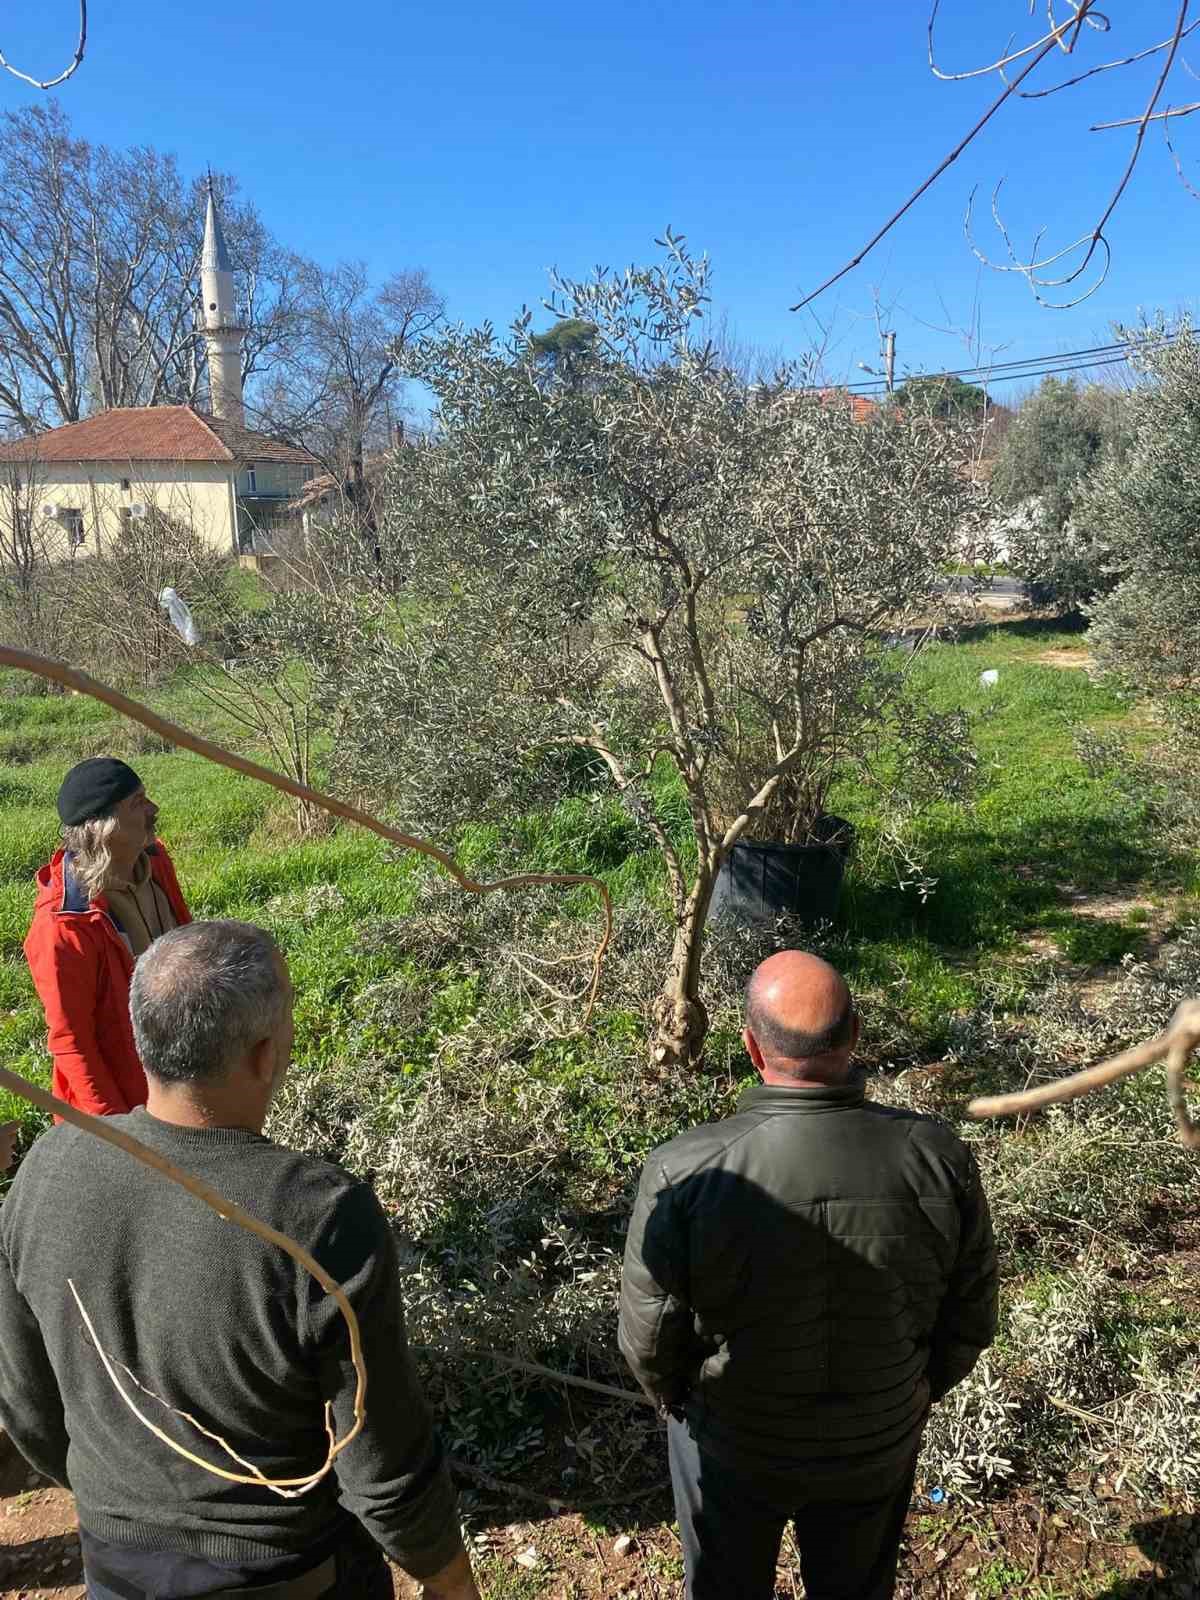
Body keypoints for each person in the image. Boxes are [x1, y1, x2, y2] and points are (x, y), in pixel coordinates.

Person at [0, 920, 480, 1600]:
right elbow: (382, 1464)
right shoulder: (319, 1217)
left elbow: (28, 1409)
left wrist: (119, 1501)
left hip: (116, 1569)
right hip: (291, 1577)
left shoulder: (46, 1168)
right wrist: (450, 1578)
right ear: (264, 1055)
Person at [619, 950, 998, 1600]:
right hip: (876, 1439)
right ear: (854, 1037)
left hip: (733, 1439)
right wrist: (905, 1394)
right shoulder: (938, 1157)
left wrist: (685, 1405)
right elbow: (970, 1319)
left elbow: (650, 1344)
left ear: (750, 1047)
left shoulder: (683, 1171)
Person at [24, 757, 190, 1116]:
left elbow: (189, 945)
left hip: (178, 1079)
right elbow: (72, 1043)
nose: (153, 809)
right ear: (103, 828)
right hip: (122, 1104)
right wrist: (117, 1132)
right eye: (137, 803)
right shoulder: (64, 926)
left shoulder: (155, 861)